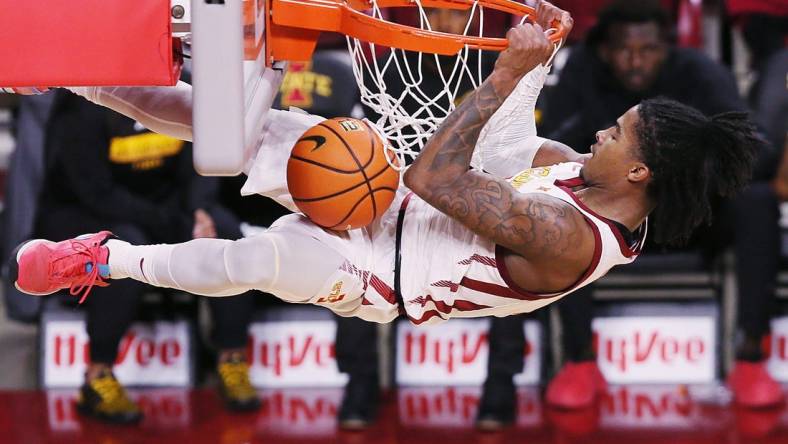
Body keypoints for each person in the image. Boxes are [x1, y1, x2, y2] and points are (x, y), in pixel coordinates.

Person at [9, 0, 757, 392]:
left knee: (255, 260)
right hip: (380, 192)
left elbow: (441, 177)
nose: (601, 132)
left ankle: (105, 262)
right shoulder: (571, 169)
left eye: (618, 134)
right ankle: (71, 70)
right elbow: (503, 145)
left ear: (641, 175)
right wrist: (533, 51)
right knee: (233, 132)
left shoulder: (571, 240)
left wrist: (503, 77)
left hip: (374, 276)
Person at [539, 0, 780, 409]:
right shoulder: (583, 71)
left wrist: (679, 178)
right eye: (623, 50)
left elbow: (757, 155)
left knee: (757, 202)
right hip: (608, 224)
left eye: (647, 49)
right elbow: (543, 149)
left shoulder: (699, 73)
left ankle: (750, 355)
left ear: (667, 47)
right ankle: (579, 360)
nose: (635, 61)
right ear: (604, 49)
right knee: (555, 206)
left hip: (691, 218)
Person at [31, 90, 260, 424]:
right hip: (84, 211)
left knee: (225, 236)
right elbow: (95, 191)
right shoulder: (84, 102)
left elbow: (201, 159)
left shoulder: (181, 87)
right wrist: (169, 223)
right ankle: (97, 376)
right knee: (119, 252)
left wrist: (198, 209)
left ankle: (232, 357)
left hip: (163, 206)